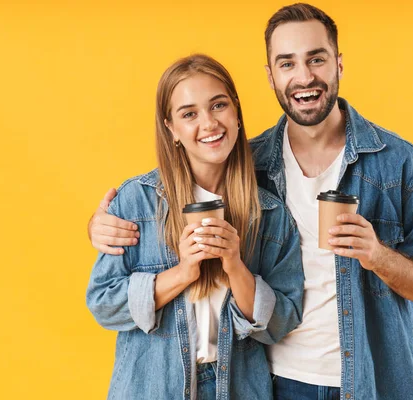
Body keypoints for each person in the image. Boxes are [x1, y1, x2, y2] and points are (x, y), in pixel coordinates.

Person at [88, 4, 413, 400]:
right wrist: (100, 223)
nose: (304, 77)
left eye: (316, 59)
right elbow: (179, 187)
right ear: (270, 76)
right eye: (287, 63)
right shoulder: (248, 166)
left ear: (338, 63)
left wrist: (377, 256)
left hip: (373, 382)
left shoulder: (400, 164)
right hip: (274, 382)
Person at [86, 54, 304, 400]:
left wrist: (235, 265)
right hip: (151, 387)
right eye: (189, 114)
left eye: (218, 105)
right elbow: (103, 303)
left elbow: (282, 321)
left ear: (236, 113)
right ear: (171, 128)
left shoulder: (270, 212)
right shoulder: (137, 202)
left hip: (239, 388)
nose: (209, 124)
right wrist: (184, 273)